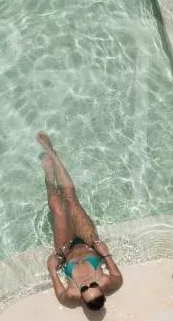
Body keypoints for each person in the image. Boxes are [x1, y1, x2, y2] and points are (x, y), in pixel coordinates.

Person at [39, 132, 124, 311]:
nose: (87, 283)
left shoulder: (70, 296)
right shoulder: (109, 282)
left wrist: (53, 270)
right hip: (88, 243)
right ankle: (52, 153)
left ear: (80, 297)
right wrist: (106, 256)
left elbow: (61, 296)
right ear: (100, 287)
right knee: (70, 200)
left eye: (84, 289)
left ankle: (48, 173)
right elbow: (118, 278)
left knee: (56, 206)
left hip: (66, 250)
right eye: (93, 285)